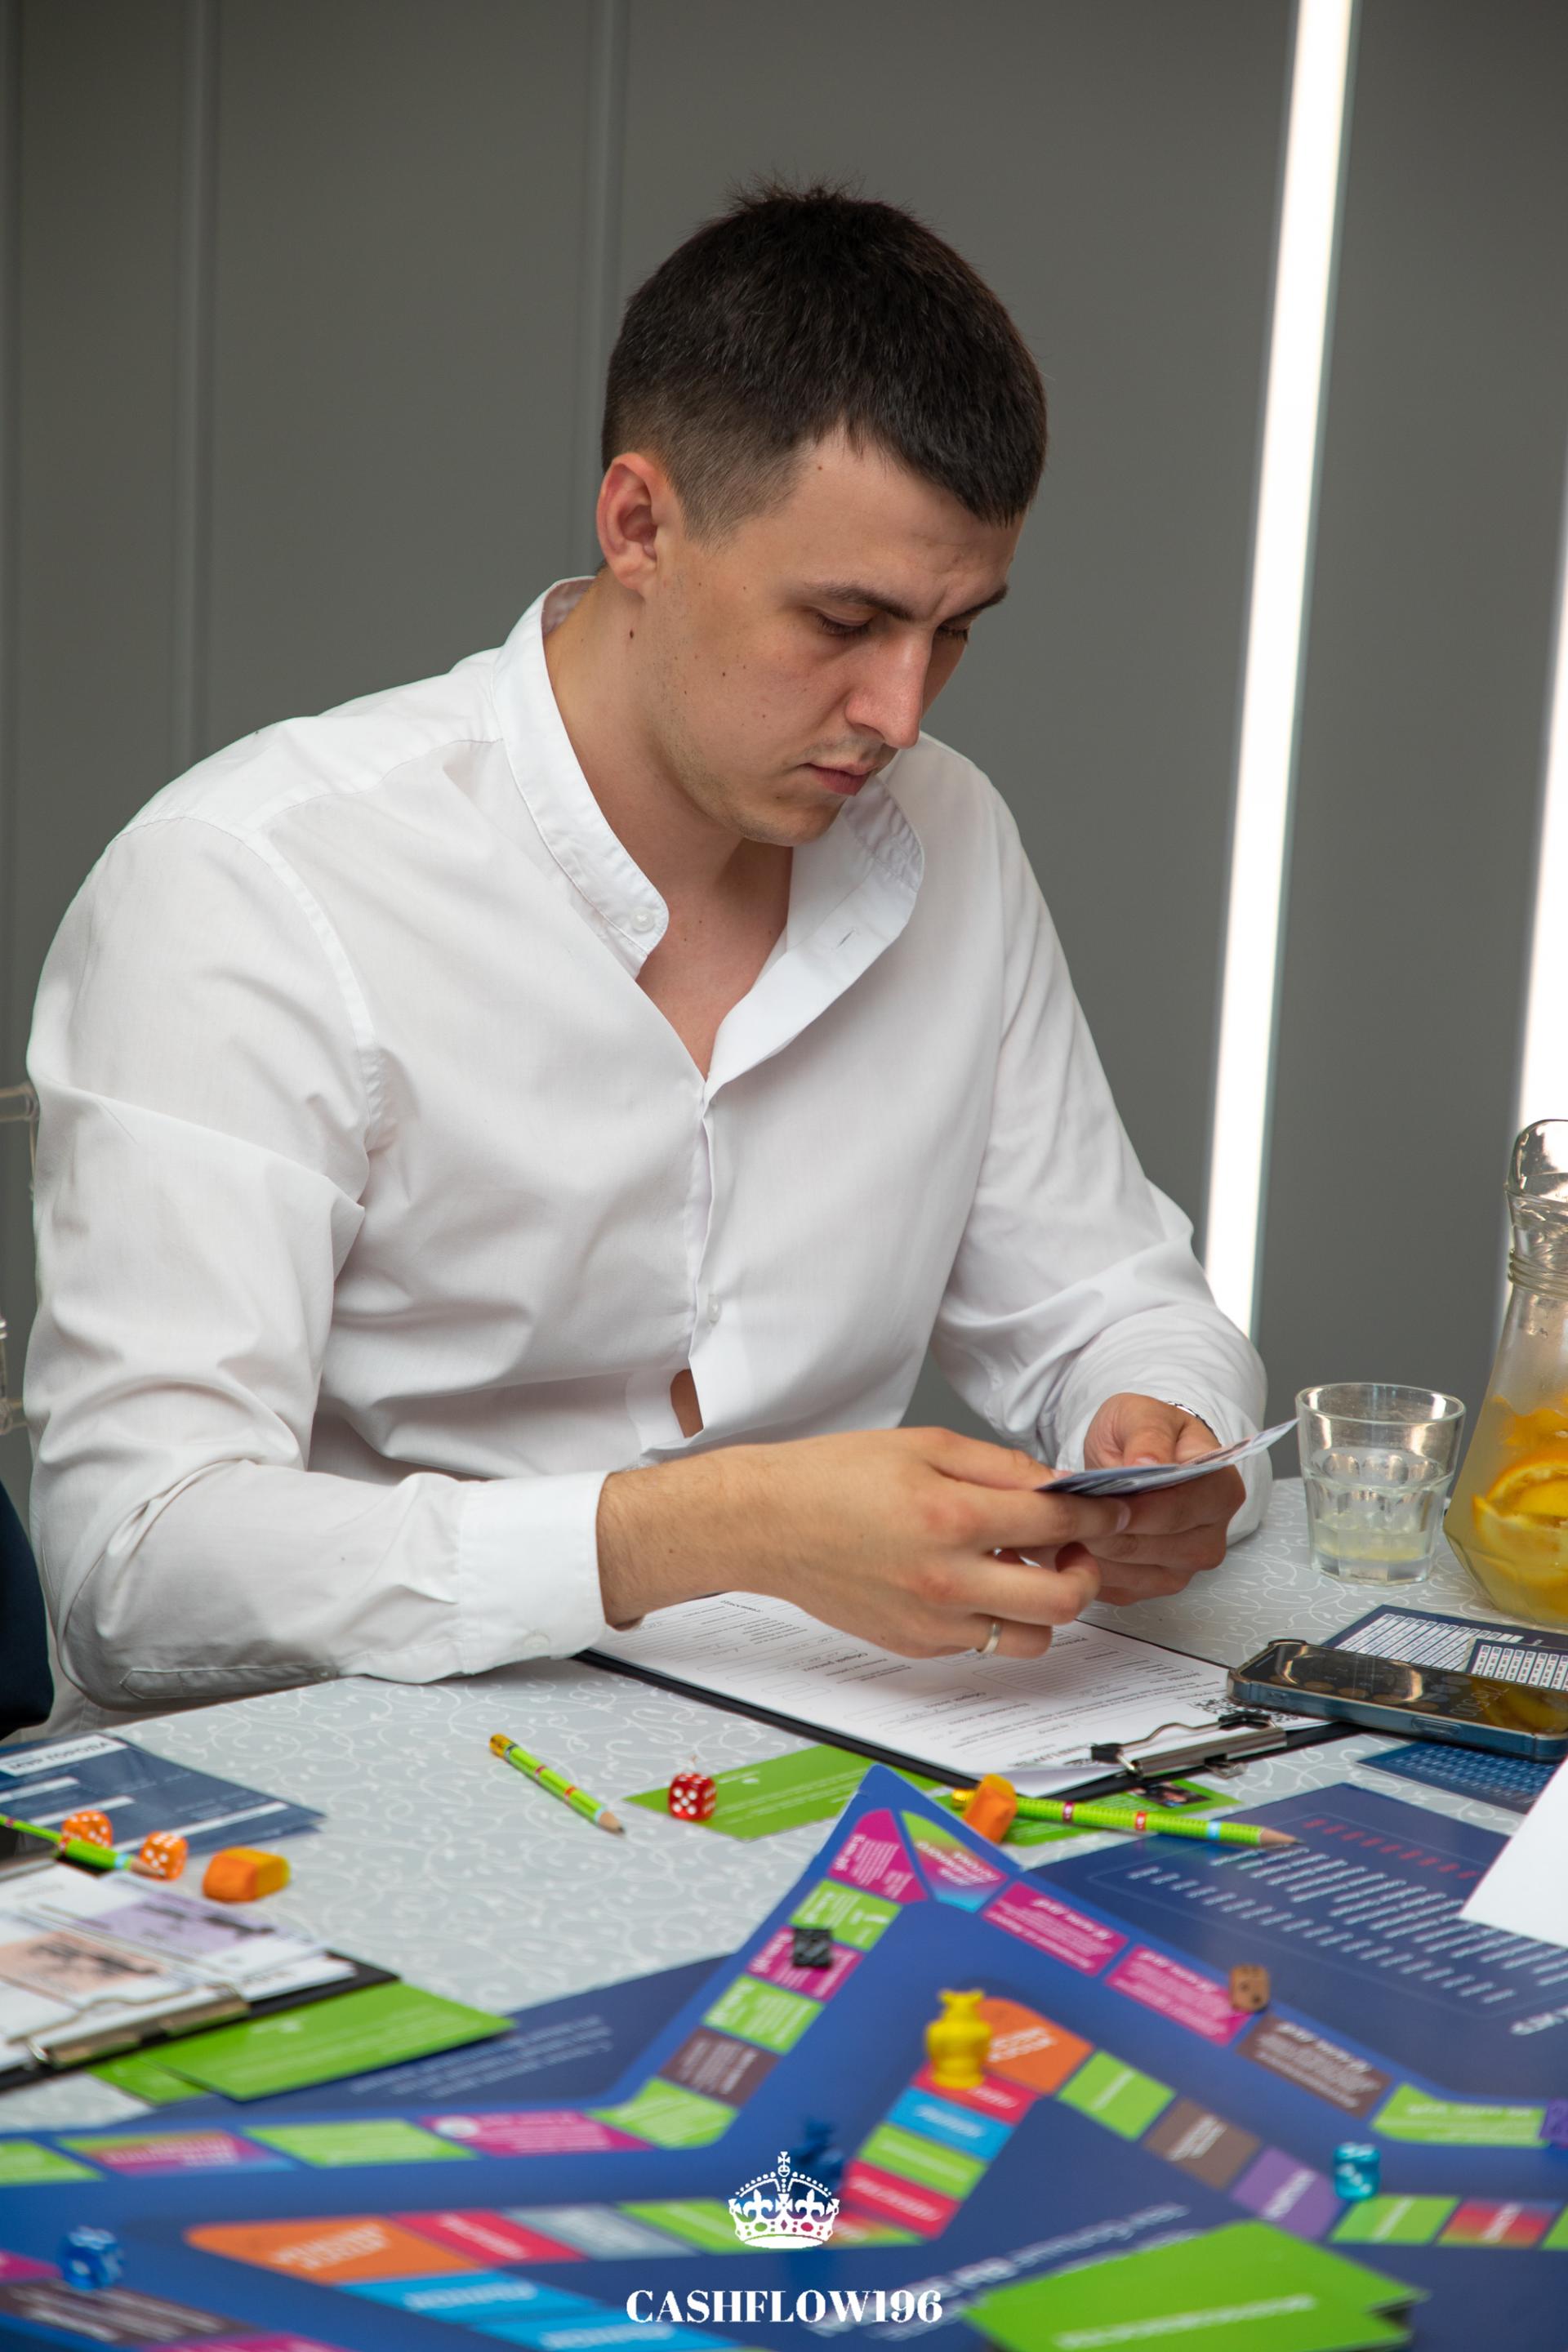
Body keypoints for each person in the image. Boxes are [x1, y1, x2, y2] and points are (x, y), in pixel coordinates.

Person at [24, 184, 1267, 1726]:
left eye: (954, 630)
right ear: (639, 526)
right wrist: (712, 1531)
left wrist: (1159, 1428)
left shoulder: (952, 837)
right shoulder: (250, 885)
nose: (901, 712)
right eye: (845, 620)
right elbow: (133, 1565)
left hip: (813, 1758)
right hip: (343, 1773)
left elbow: (1114, 1301)